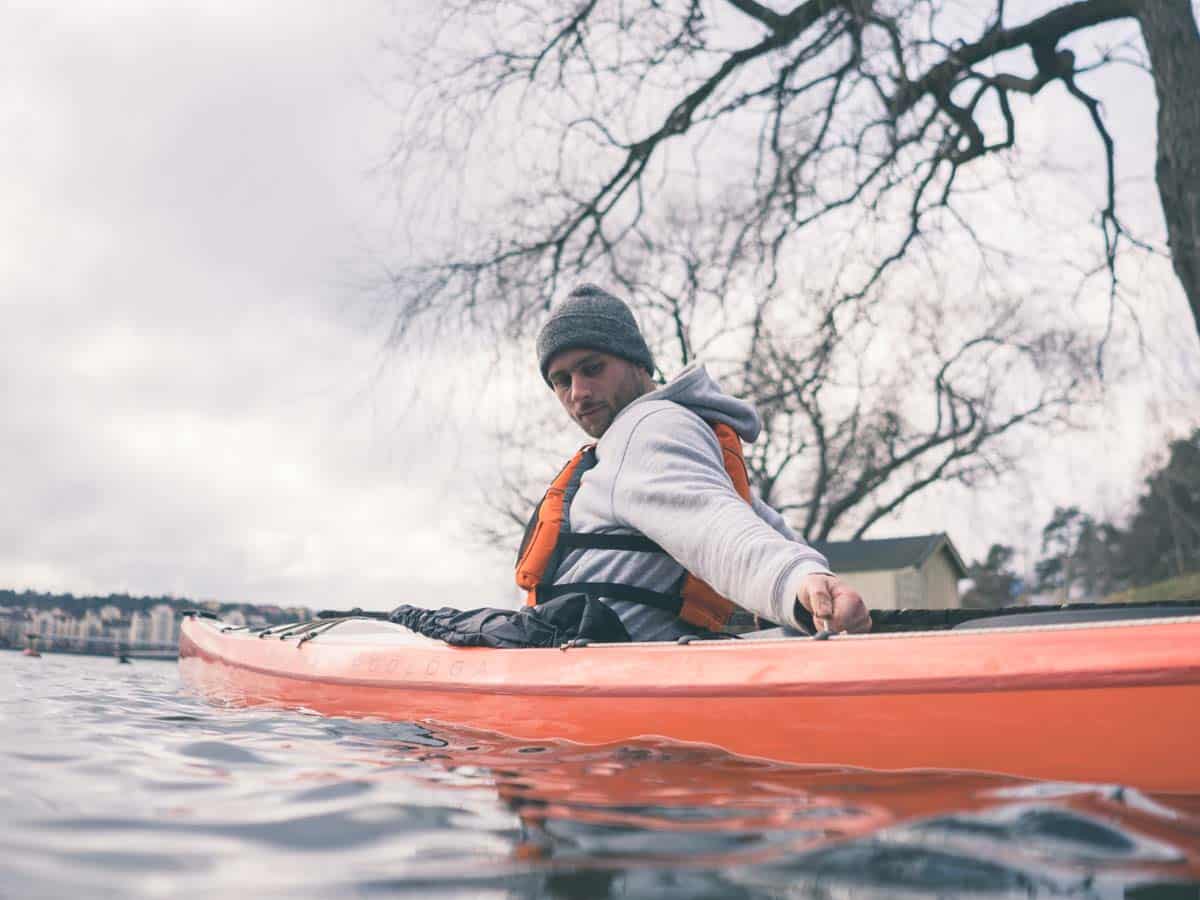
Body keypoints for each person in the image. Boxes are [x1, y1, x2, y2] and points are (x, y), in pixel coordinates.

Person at [518, 283, 871, 641]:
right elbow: (746, 520)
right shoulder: (640, 443)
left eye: (592, 368)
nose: (578, 392)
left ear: (638, 362)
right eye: (561, 381)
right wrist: (811, 581)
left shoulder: (646, 429)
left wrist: (796, 581)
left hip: (613, 681)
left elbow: (715, 527)